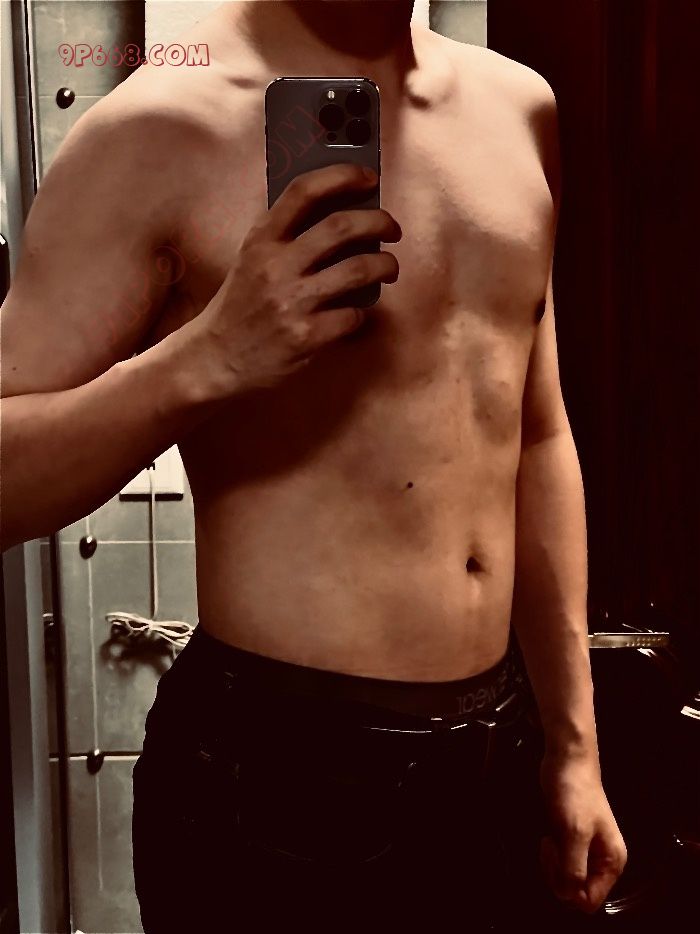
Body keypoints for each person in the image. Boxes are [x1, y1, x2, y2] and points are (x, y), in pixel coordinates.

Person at [0, 0, 627, 929]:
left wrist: (575, 747)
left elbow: (536, 435)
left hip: (497, 756)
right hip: (276, 779)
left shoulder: (519, 108)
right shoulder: (158, 124)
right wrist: (207, 357)